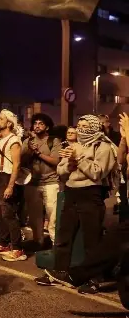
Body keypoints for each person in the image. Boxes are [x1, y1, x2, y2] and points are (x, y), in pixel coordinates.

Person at [35, 115, 117, 290]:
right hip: (71, 192)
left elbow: (97, 172)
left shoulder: (103, 147)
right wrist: (70, 165)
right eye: (79, 125)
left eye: (85, 126)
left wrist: (79, 158)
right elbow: (61, 170)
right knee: (64, 235)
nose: (81, 129)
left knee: (91, 238)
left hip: (91, 194)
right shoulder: (74, 145)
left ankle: (93, 278)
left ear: (95, 127)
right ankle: (60, 271)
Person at [0, 110, 28, 262]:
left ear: (9, 123)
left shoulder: (14, 140)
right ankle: (4, 244)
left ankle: (17, 249)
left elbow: (16, 164)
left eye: (1, 119)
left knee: (8, 213)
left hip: (6, 177)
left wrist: (10, 186)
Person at [21, 113, 61, 248]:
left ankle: (56, 245)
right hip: (32, 183)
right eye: (35, 123)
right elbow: (21, 160)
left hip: (51, 182)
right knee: (34, 216)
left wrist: (38, 153)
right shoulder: (28, 141)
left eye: (41, 124)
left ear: (47, 127)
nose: (37, 126)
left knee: (53, 216)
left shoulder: (54, 141)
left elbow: (56, 161)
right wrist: (29, 149)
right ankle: (38, 241)